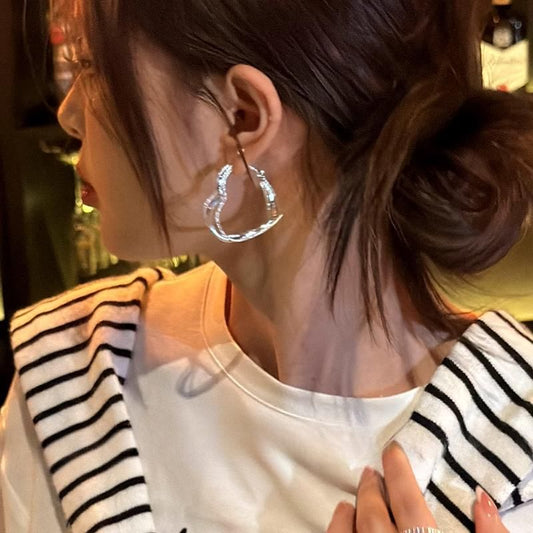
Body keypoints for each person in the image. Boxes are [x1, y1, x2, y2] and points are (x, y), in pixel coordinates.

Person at [1, 0, 532, 531]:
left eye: (93, 67)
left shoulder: (516, 452)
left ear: (242, 118)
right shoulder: (70, 384)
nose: (69, 113)